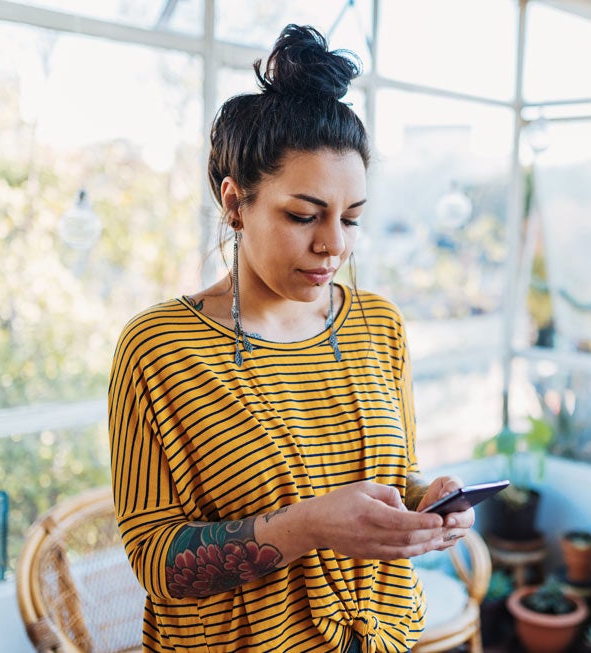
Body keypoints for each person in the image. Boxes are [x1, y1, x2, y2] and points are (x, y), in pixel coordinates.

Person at [108, 24, 475, 653]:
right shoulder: (160, 348)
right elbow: (154, 560)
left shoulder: (378, 324)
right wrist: (307, 527)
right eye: (304, 215)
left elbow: (397, 473)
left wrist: (429, 500)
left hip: (384, 637)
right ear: (235, 202)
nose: (334, 244)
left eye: (352, 217)